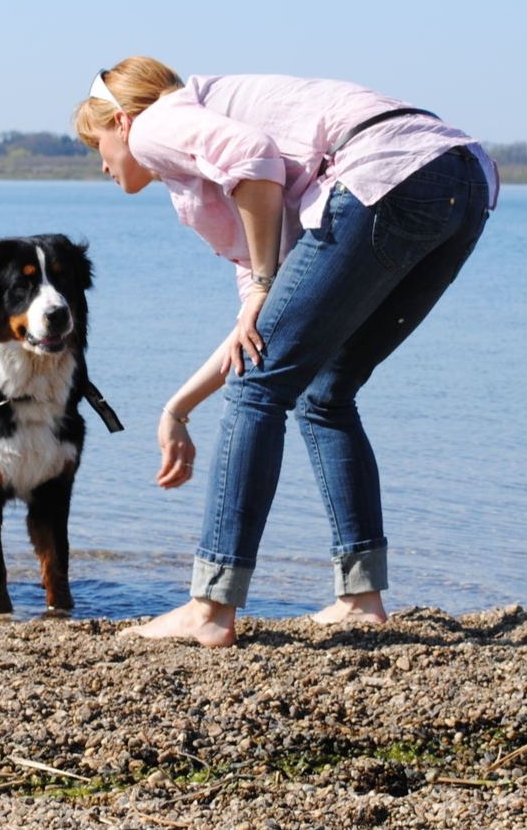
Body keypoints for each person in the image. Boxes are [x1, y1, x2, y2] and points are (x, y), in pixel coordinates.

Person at [73, 57, 498, 647]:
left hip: (383, 174)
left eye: (96, 143)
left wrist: (268, 285)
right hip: (462, 177)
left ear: (119, 120)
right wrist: (178, 407)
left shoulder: (155, 125)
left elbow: (253, 161)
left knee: (259, 393)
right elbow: (259, 324)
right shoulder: (218, 169)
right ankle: (360, 598)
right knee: (326, 391)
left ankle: (210, 607)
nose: (100, 162)